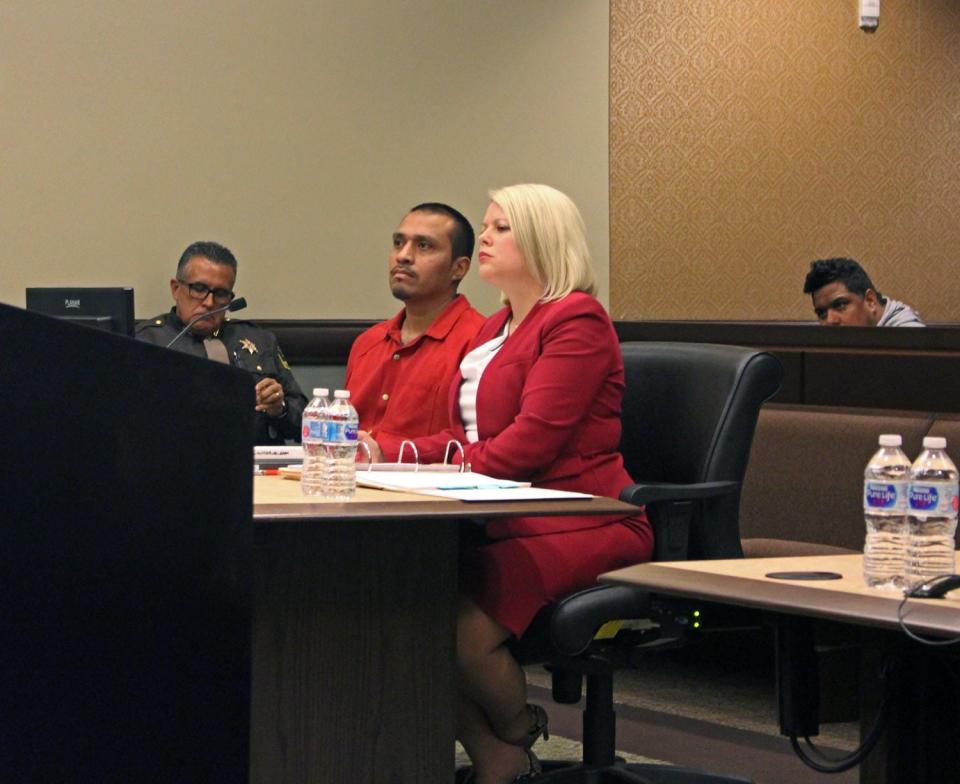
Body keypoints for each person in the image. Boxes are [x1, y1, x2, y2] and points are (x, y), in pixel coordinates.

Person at [361, 184, 653, 783]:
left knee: (458, 631)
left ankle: (519, 732)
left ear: (542, 240)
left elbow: (528, 446)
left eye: (500, 229)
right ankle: (503, 757)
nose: (485, 237)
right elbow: (461, 436)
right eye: (487, 227)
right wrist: (380, 453)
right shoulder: (497, 326)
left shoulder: (576, 318)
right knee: (395, 609)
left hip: (582, 516)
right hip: (506, 511)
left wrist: (443, 468)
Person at [136, 241, 307, 445]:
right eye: (198, 289)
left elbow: (305, 424)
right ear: (175, 288)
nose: (209, 303)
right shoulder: (146, 341)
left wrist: (279, 409)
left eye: (220, 294)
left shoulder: (259, 340)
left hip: (256, 466)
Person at [345, 203, 486, 442]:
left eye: (423, 246)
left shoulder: (480, 340)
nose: (403, 256)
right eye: (398, 243)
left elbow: (475, 442)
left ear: (459, 268)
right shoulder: (367, 343)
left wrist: (383, 453)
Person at [803, 257, 925, 327]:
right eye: (822, 313)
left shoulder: (909, 338)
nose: (830, 320)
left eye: (840, 305)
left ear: (870, 301)